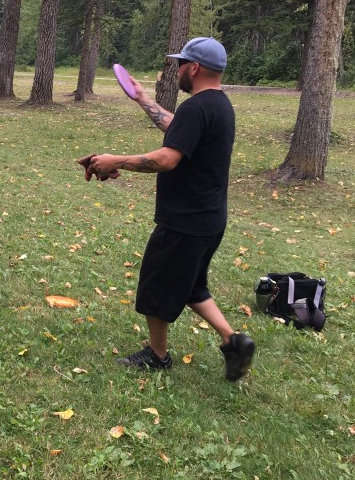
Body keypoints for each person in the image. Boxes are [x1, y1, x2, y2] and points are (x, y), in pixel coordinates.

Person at [78, 37, 255, 381]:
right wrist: (142, 98)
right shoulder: (218, 105)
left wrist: (117, 160)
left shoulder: (196, 107)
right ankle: (234, 341)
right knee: (191, 286)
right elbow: (179, 131)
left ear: (194, 68)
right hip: (210, 218)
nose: (176, 73)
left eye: (179, 66)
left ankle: (157, 356)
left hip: (185, 222)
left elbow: (167, 159)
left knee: (156, 287)